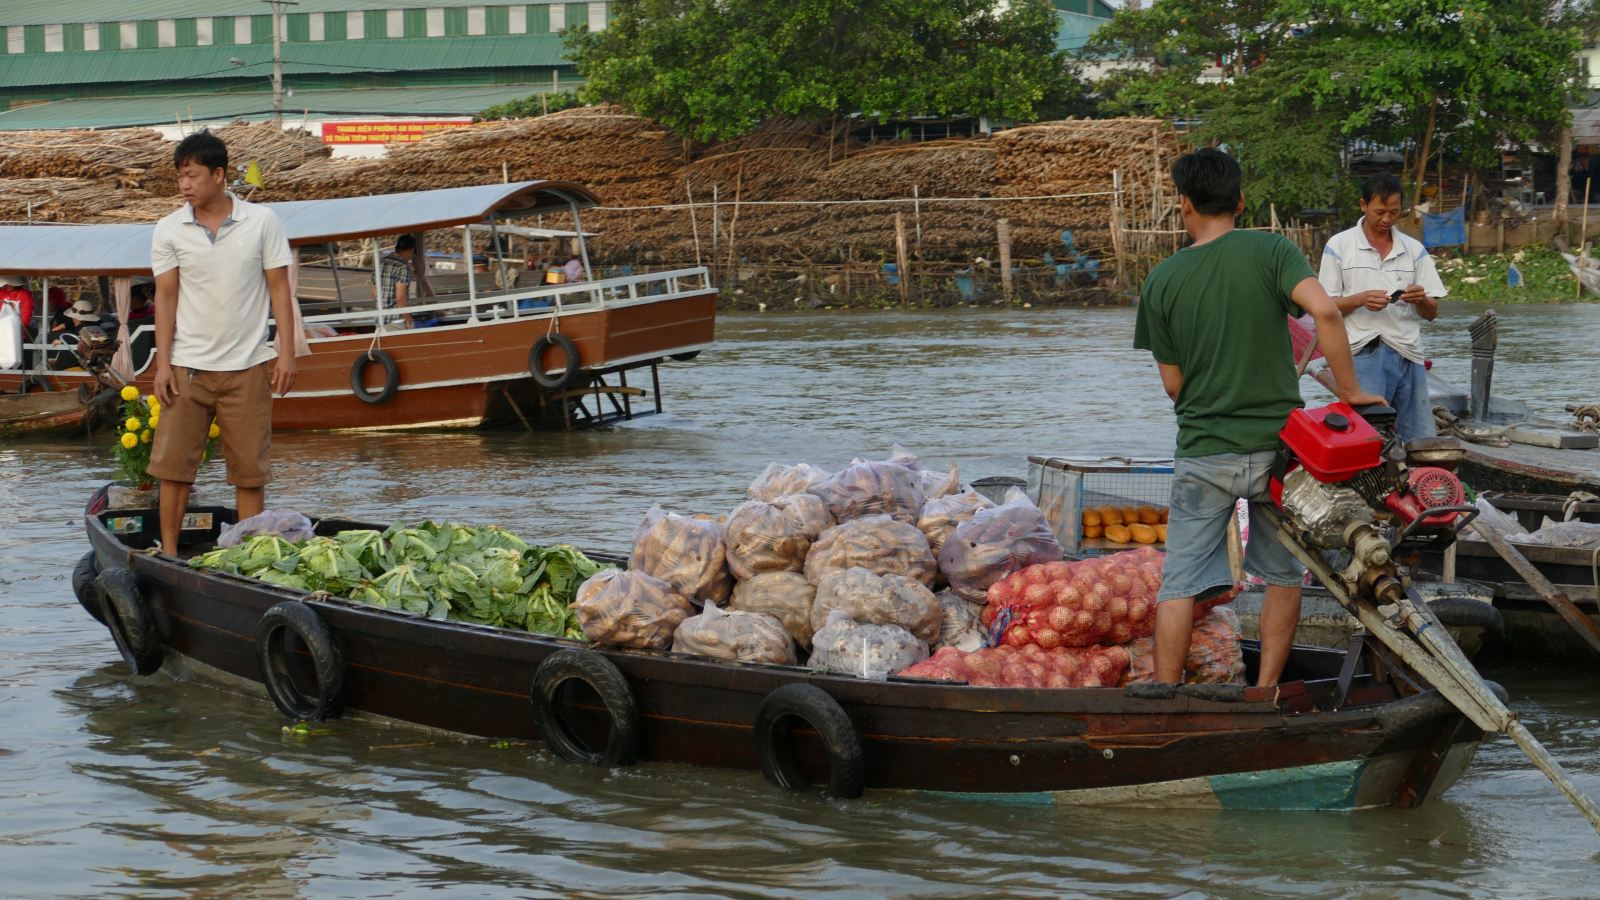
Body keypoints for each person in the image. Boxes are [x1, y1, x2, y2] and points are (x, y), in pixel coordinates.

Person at [1133, 148, 1383, 688]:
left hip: (1203, 450)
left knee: (1178, 583)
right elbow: (1323, 311)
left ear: (1184, 205)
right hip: (1280, 450)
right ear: (1241, 200)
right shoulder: (1272, 250)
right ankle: (1265, 693)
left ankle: (1169, 698)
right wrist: (1351, 392)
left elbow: (1173, 385)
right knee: (1282, 573)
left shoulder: (1162, 281)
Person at [147, 130, 295, 556]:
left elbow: (280, 291)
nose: (184, 185)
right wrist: (162, 363)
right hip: (187, 368)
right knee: (173, 469)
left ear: (219, 174)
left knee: (249, 473)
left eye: (191, 175)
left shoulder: (262, 221)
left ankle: (246, 558)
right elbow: (166, 298)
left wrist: (285, 352)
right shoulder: (169, 228)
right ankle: (170, 553)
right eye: (179, 177)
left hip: (249, 365)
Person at [1318, 173, 1448, 443]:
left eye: (1394, 212)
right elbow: (1324, 307)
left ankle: (1415, 483)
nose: (1387, 219)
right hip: (1363, 352)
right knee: (1368, 438)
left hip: (1409, 354)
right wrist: (1360, 299)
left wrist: (1420, 298)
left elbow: (1432, 312)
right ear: (1363, 205)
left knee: (1419, 439)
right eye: (1379, 212)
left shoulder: (1414, 250)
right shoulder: (1340, 246)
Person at [379, 234, 434, 328]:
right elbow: (400, 298)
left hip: (381, 320)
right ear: (410, 250)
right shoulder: (403, 267)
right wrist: (408, 319)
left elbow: (374, 293)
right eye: (412, 253)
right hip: (397, 321)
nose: (411, 257)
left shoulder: (380, 263)